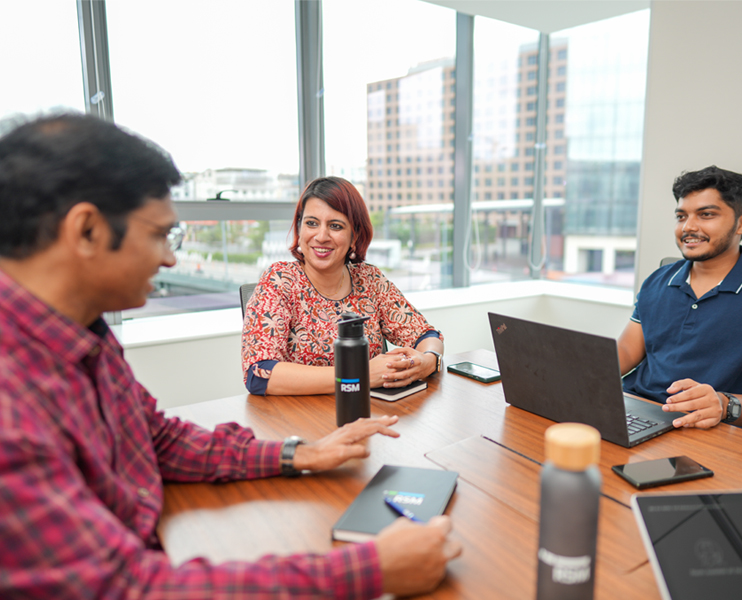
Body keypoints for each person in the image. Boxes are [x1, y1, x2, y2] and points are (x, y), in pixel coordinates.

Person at [0, 113, 461, 599]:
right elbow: (126, 588)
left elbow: (156, 439)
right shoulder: (12, 407)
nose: (170, 260)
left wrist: (303, 453)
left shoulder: (81, 337)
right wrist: (367, 571)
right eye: (162, 235)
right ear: (88, 231)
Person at [617, 165, 742, 430]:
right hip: (636, 409)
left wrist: (724, 404)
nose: (688, 227)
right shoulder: (658, 279)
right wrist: (578, 367)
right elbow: (625, 350)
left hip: (709, 427)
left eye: (706, 215)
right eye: (681, 216)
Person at [241, 176, 444, 395]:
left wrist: (429, 360)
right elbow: (259, 374)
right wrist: (358, 374)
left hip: (365, 413)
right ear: (300, 230)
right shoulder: (279, 280)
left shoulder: (369, 279)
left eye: (335, 226)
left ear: (354, 236)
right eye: (311, 223)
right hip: (301, 419)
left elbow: (426, 335)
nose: (321, 236)